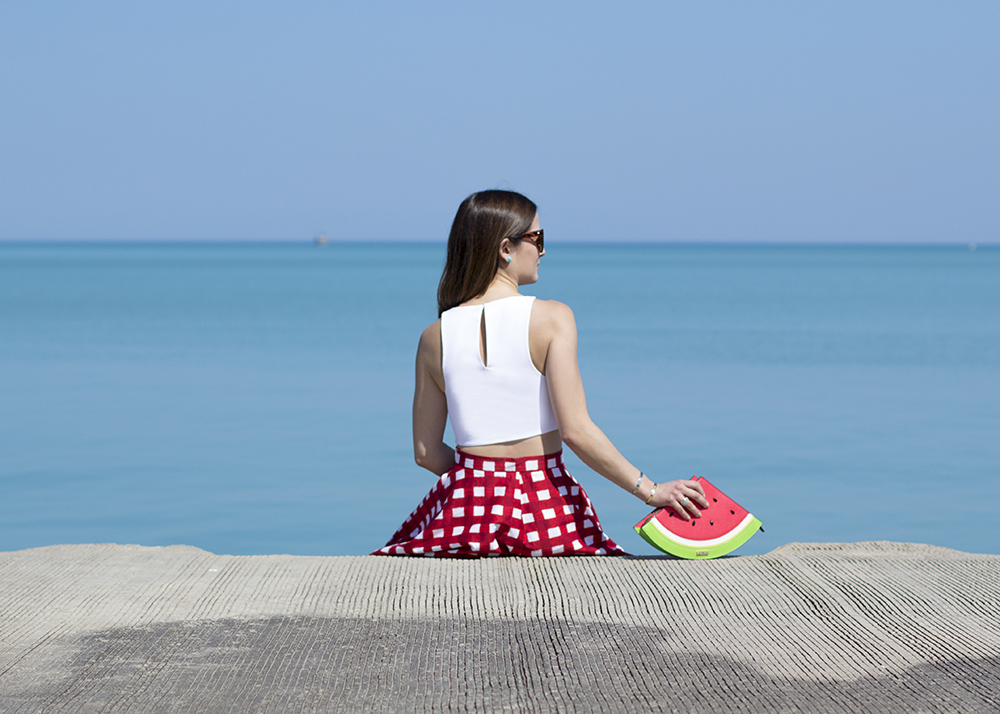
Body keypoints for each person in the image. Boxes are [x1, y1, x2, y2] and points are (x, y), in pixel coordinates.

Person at [373, 190, 708, 557]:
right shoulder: (552, 318)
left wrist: (483, 479)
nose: (543, 250)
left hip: (464, 511)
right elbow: (576, 431)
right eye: (537, 238)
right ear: (505, 248)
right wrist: (651, 490)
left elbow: (426, 453)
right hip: (543, 508)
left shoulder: (433, 336)